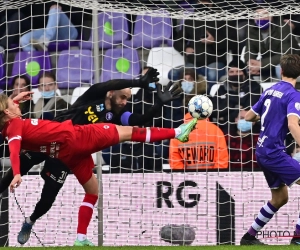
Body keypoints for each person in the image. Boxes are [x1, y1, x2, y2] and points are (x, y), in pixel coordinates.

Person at [0, 68, 183, 246]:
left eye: (127, 98)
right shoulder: (93, 96)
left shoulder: (117, 115)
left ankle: (30, 221)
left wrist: (159, 104)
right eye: (122, 96)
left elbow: (139, 123)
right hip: (48, 140)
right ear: (111, 93)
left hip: (67, 155)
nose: (124, 102)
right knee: (9, 176)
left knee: (48, 197)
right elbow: (110, 83)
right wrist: (138, 83)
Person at [240, 54, 300, 245]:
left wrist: (269, 116)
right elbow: (292, 125)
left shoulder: (270, 90)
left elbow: (248, 117)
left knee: (280, 197)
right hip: (274, 152)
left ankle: (248, 237)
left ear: (281, 71)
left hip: (262, 151)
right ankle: (297, 239)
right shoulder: (294, 95)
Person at [245, 8, 300, 81]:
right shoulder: (251, 30)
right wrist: (250, 62)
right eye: (258, 15)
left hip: (289, 61)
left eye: (265, 15)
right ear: (254, 18)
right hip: (266, 62)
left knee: (280, 68)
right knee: (248, 70)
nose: (262, 18)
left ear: (271, 17)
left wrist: (261, 64)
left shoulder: (283, 27)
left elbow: (286, 53)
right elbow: (250, 49)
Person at [210, 59, 262, 134]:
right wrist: (233, 105)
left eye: (238, 71)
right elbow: (214, 110)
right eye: (231, 72)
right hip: (223, 129)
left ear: (244, 73)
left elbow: (248, 112)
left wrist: (223, 116)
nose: (235, 74)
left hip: (249, 129)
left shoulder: (255, 88)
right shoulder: (222, 89)